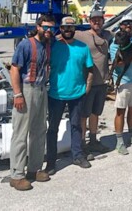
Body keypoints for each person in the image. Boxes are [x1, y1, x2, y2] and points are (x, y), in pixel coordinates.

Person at [8, 14, 55, 191]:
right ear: (38, 26)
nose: (49, 30)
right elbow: (14, 69)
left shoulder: (49, 44)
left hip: (42, 89)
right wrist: (18, 94)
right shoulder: (25, 44)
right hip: (26, 90)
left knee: (39, 130)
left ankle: (34, 169)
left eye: (52, 27)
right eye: (46, 27)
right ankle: (17, 174)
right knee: (20, 132)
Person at [45, 16, 94, 174]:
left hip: (77, 94)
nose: (68, 30)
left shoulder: (83, 47)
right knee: (52, 128)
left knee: (76, 126)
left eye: (71, 28)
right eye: (65, 27)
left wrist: (87, 88)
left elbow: (90, 70)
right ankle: (51, 162)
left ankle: (78, 155)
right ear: (60, 29)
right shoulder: (52, 47)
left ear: (75, 29)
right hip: (55, 95)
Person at [74, 10, 113, 155]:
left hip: (102, 83)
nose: (97, 22)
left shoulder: (107, 35)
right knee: (84, 114)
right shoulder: (82, 35)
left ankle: (93, 140)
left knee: (96, 113)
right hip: (88, 83)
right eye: (94, 20)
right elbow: (61, 35)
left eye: (99, 20)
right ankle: (82, 143)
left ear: (103, 21)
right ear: (90, 22)